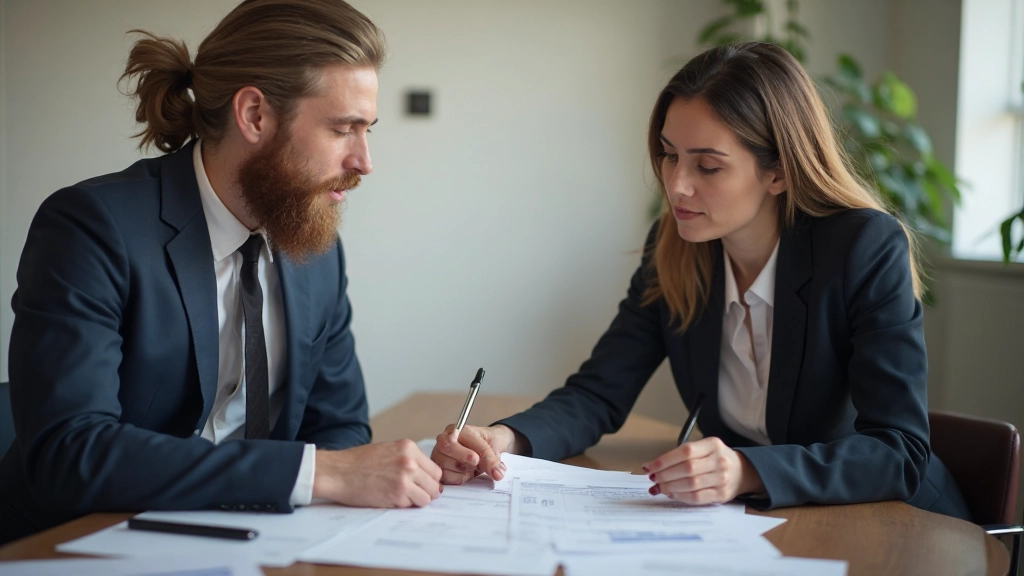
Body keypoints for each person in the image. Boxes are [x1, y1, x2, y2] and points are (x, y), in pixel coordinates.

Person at [431, 42, 971, 521]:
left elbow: (898, 451)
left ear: (779, 171)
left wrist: (746, 470)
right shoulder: (674, 248)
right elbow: (597, 394)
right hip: (756, 524)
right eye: (669, 156)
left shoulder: (861, 247)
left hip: (894, 524)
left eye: (708, 167)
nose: (676, 186)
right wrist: (503, 441)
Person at [0, 0, 443, 545]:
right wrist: (315, 474)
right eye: (342, 129)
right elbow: (69, 453)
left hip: (258, 544)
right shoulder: (92, 227)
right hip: (75, 545)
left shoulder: (317, 249)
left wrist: (346, 476)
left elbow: (339, 426)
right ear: (254, 114)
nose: (364, 161)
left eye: (367, 130)